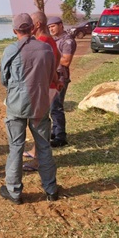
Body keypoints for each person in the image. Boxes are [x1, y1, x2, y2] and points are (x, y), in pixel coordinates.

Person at [0, 13, 58, 205]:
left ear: (15, 30)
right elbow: (51, 78)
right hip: (39, 105)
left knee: (16, 147)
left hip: (16, 105)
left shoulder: (10, 50)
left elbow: (3, 80)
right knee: (43, 147)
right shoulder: (46, 49)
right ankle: (50, 189)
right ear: (32, 28)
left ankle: (14, 191)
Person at [22, 11, 62, 171]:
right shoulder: (48, 40)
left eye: (31, 22)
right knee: (39, 122)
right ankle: (35, 151)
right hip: (48, 86)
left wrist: (52, 78)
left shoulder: (42, 41)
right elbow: (57, 56)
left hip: (44, 88)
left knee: (39, 123)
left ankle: (38, 160)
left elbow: (51, 62)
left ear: (37, 24)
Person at [47, 16, 77, 147]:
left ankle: (60, 136)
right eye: (49, 27)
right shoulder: (55, 40)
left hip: (60, 77)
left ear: (61, 25)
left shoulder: (68, 41)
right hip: (53, 76)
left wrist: (48, 59)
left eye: (53, 26)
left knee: (56, 107)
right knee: (52, 106)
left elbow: (66, 61)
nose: (51, 29)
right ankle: (55, 130)